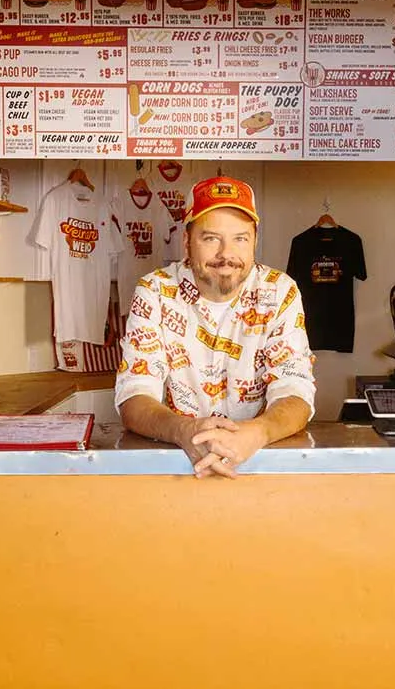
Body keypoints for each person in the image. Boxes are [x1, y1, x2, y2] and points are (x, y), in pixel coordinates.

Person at [114, 176, 315, 476]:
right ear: (186, 242)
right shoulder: (154, 291)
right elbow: (134, 395)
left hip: (259, 466)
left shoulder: (280, 291)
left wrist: (255, 433)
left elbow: (295, 391)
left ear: (254, 241)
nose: (226, 254)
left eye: (240, 238)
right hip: (176, 468)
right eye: (211, 238)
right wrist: (186, 430)